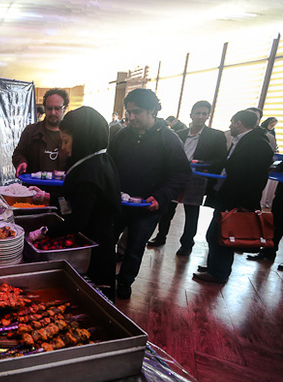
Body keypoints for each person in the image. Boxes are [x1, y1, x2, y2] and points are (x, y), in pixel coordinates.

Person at [27, 107, 121, 302]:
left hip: (95, 245)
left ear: (84, 140)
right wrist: (45, 196)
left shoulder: (91, 172)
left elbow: (77, 220)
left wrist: (44, 231)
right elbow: (72, 200)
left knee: (93, 296)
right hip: (94, 237)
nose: (64, 148)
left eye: (66, 141)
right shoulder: (96, 160)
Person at [107, 89, 191, 300]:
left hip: (148, 207)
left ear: (152, 110)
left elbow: (181, 174)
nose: (131, 117)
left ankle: (125, 283)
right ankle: (104, 279)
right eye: (129, 112)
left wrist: (161, 197)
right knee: (106, 241)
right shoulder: (121, 135)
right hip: (119, 203)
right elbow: (109, 165)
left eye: (137, 112)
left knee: (135, 247)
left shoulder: (168, 139)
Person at [193, 110, 274, 284]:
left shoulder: (258, 144)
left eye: (232, 122)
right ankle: (214, 267)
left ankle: (218, 273)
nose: (230, 126)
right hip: (227, 197)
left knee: (223, 236)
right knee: (214, 235)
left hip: (237, 200)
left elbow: (257, 178)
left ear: (238, 123)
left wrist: (246, 204)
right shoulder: (244, 141)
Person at [147, 100, 227, 256]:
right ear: (191, 114)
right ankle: (160, 236)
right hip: (175, 176)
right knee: (167, 209)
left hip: (196, 178)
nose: (200, 117)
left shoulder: (216, 136)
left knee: (191, 213)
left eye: (204, 114)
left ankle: (187, 244)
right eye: (198, 113)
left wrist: (202, 164)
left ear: (208, 116)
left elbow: (220, 159)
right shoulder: (179, 133)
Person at [12, 88, 69, 176]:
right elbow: (18, 154)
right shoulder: (31, 131)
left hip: (62, 188)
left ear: (65, 108)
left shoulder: (72, 134)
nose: (53, 112)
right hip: (34, 187)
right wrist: (21, 163)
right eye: (49, 108)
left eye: (57, 108)